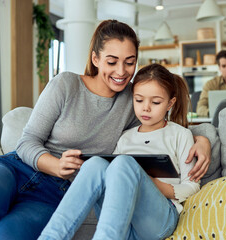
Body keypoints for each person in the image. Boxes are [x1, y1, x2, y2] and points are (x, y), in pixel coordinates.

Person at [0, 20, 210, 240]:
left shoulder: (135, 100)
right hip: (15, 169)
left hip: (55, 193)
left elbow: (168, 122)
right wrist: (56, 164)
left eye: (129, 62)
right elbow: (27, 142)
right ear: (95, 58)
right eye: (112, 61)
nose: (121, 71)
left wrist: (202, 140)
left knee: (5, 236)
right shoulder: (66, 85)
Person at [39, 63, 200, 240]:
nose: (145, 108)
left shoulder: (180, 135)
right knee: (95, 164)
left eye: (155, 102)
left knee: (123, 162)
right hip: (123, 223)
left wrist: (150, 183)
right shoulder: (125, 137)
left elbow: (192, 187)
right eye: (139, 100)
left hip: (159, 221)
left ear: (170, 103)